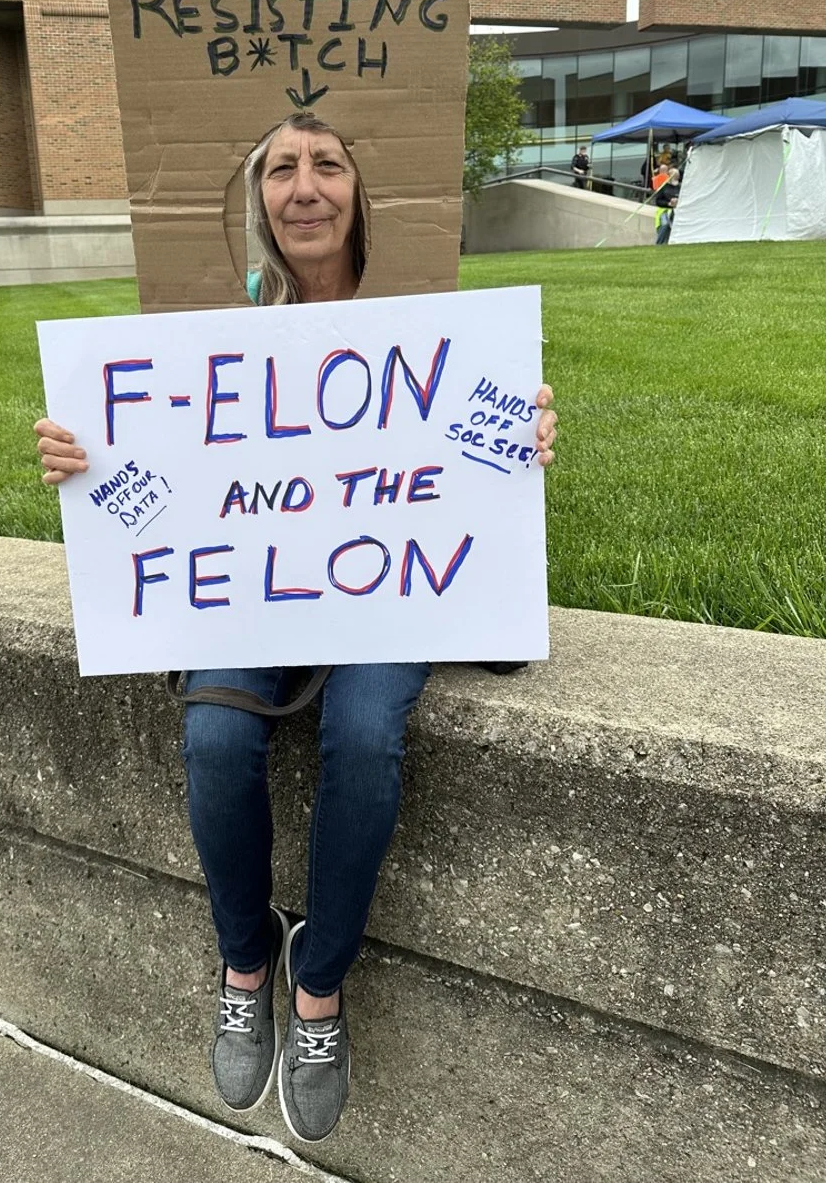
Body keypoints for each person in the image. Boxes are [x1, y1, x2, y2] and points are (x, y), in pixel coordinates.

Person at [35, 111, 558, 1143]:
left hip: (384, 589)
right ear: (257, 197)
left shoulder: (433, 326)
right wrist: (86, 455)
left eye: (326, 164)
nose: (305, 186)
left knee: (363, 732)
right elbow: (162, 466)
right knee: (214, 732)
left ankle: (316, 984)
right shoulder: (209, 331)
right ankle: (245, 960)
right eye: (281, 168)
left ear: (362, 189)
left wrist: (517, 438)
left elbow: (471, 465)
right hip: (252, 588)